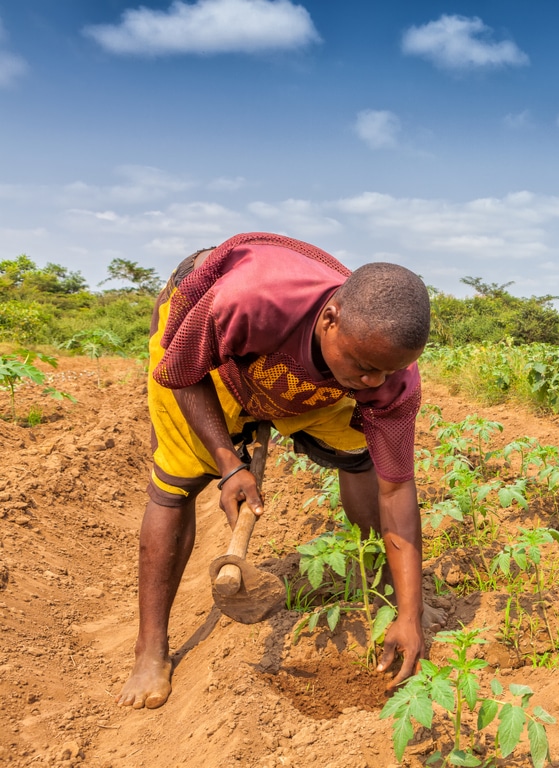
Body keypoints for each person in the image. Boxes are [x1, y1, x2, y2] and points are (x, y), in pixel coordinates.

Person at [117, 232, 433, 710]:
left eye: (387, 373)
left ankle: (386, 592)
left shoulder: (388, 377)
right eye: (366, 366)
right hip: (204, 356)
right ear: (330, 319)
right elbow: (182, 373)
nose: (374, 383)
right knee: (175, 483)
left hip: (308, 377)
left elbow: (396, 492)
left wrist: (412, 613)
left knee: (361, 457)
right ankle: (150, 648)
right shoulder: (247, 301)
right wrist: (228, 463)